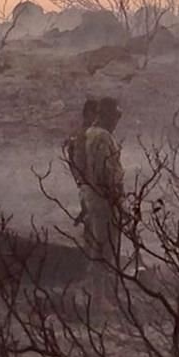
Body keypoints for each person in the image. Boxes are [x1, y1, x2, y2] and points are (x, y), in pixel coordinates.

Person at [82, 97, 125, 276]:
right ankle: (100, 290)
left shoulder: (90, 133)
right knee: (105, 250)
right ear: (107, 116)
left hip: (95, 197)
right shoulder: (102, 136)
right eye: (115, 116)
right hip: (104, 200)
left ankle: (98, 287)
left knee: (99, 247)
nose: (117, 121)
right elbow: (104, 172)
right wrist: (115, 198)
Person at [63, 98, 98, 228]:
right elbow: (74, 157)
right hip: (87, 178)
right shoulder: (84, 133)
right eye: (95, 113)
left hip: (84, 178)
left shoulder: (85, 132)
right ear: (88, 113)